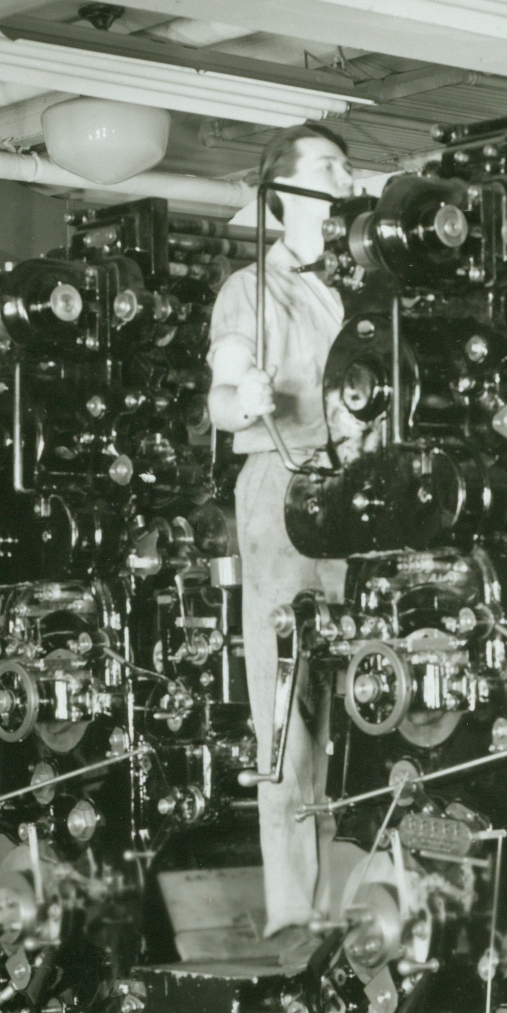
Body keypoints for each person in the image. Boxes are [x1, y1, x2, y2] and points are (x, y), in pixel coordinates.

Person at [206, 121, 360, 938]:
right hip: (285, 490)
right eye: (330, 167)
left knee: (373, 695)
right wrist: (249, 398)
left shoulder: (362, 284)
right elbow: (222, 399)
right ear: (283, 197)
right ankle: (299, 923)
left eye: (346, 165)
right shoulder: (251, 290)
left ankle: (361, 907)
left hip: (361, 495)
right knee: (291, 716)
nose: (347, 178)